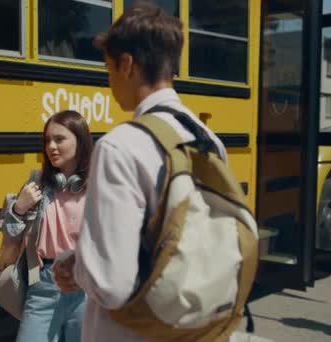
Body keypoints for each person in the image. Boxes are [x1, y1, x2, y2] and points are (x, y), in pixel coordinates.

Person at [53, 4, 229, 341]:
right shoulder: (209, 141)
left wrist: (78, 267)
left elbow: (111, 284)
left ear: (127, 64)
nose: (109, 81)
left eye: (109, 68)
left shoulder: (120, 146)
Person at [2, 110, 93, 342]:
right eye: (47, 141)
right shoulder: (38, 182)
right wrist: (18, 209)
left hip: (86, 287)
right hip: (43, 284)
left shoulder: (99, 185)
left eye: (59, 139)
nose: (51, 146)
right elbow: (11, 234)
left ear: (80, 142)